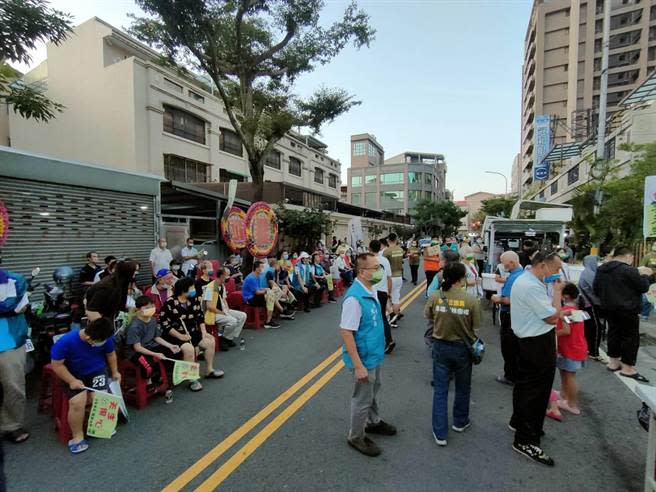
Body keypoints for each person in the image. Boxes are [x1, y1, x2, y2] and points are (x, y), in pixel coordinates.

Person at [509, 251, 564, 466]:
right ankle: (525, 440)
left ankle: (520, 423)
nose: (557, 273)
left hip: (528, 340)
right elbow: (551, 317)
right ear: (542, 266)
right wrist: (558, 293)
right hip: (537, 343)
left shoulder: (528, 279)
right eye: (556, 269)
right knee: (536, 392)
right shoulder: (531, 285)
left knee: (525, 387)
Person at [340, 253, 396, 457]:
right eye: (376, 267)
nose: (380, 271)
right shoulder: (354, 298)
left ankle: (373, 422)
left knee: (373, 389)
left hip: (374, 353)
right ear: (362, 272)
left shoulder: (369, 289)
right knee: (362, 398)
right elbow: (346, 332)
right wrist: (358, 366)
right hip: (363, 358)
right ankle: (356, 436)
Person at [425, 262, 481, 446]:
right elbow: (476, 326)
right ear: (461, 278)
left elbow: (429, 316)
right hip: (463, 349)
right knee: (463, 387)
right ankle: (460, 421)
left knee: (440, 390)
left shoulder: (435, 296)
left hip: (440, 346)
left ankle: (440, 432)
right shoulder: (471, 300)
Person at [50, 317, 120, 454]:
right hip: (72, 374)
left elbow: (111, 354)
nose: (104, 342)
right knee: (78, 402)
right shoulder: (66, 342)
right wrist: (71, 381)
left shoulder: (104, 337)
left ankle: (100, 426)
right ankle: (77, 436)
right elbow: (57, 365)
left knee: (101, 397)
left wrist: (115, 371)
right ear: (88, 338)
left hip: (96, 370)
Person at [594, 245, 653, 383]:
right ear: (628, 256)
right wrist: (646, 275)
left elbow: (596, 288)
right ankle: (628, 369)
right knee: (630, 338)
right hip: (628, 309)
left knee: (614, 333)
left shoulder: (601, 269)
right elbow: (643, 286)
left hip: (608, 308)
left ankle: (613, 362)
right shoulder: (628, 270)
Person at [160, 277, 224, 390]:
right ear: (183, 290)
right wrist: (181, 336)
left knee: (210, 341)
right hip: (174, 335)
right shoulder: (170, 303)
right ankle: (192, 379)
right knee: (189, 348)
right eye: (192, 288)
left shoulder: (194, 300)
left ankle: (209, 370)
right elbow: (165, 325)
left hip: (191, 332)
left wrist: (204, 332)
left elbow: (200, 317)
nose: (194, 290)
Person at [0, 261, 30, 444]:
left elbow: (9, 305)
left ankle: (11, 425)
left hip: (8, 341)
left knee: (13, 386)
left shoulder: (14, 280)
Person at [126, 296, 180, 393]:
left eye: (151, 306)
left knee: (171, 353)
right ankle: (148, 382)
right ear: (139, 310)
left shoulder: (152, 320)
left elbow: (156, 337)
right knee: (147, 364)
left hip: (150, 346)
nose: (150, 309)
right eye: (146, 308)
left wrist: (170, 346)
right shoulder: (134, 326)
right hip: (136, 351)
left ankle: (165, 377)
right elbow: (137, 348)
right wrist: (155, 354)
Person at [491, 251, 524, 386]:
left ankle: (510, 376)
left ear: (512, 262)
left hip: (509, 315)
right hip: (516, 315)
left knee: (509, 347)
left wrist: (495, 298)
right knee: (515, 347)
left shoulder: (515, 277)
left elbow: (507, 300)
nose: (503, 265)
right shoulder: (521, 274)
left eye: (504, 262)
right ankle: (516, 373)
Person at [555, 283, 588, 416]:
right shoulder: (576, 310)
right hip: (576, 347)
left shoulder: (565, 310)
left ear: (565, 296)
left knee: (569, 377)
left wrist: (552, 333)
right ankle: (564, 395)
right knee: (565, 373)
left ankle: (572, 404)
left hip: (570, 348)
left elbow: (565, 330)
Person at [204, 268, 247, 350]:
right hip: (213, 313)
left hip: (222, 310)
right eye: (227, 275)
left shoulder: (222, 286)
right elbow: (209, 306)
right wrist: (222, 313)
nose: (229, 277)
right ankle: (224, 340)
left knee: (242, 316)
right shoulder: (210, 287)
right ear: (221, 276)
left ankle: (228, 338)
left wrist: (227, 311)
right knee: (233, 321)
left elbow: (224, 300)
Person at [578, 255, 606, 362]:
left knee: (588, 328)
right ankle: (594, 352)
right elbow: (596, 288)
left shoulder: (586, 272)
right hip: (590, 304)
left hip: (586, 304)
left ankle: (588, 350)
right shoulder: (590, 273)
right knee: (596, 328)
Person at [242, 261, 286, 329]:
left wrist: (267, 289)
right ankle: (269, 320)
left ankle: (270, 319)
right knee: (270, 295)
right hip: (250, 299)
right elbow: (257, 292)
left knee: (271, 293)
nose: (263, 269)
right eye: (262, 267)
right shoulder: (251, 278)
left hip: (255, 296)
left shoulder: (258, 276)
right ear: (257, 269)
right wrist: (267, 291)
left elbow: (259, 289)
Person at [370, 240, 394, 354]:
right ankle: (389, 340)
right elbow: (389, 278)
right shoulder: (385, 260)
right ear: (380, 248)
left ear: (370, 248)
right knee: (382, 317)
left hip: (371, 292)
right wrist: (389, 292)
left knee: (370, 317)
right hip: (383, 292)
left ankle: (373, 341)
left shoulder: (369, 261)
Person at [384, 233, 404, 325]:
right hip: (399, 276)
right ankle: (395, 319)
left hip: (390, 278)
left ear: (388, 240)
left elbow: (383, 265)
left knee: (387, 298)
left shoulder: (386, 251)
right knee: (396, 298)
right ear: (396, 239)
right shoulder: (400, 250)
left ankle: (393, 318)